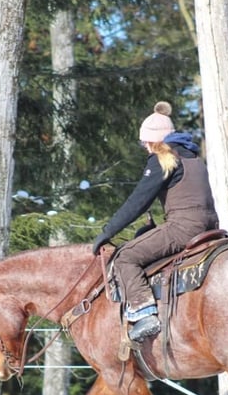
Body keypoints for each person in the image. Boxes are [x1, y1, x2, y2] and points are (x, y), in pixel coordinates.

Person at [92, 101, 219, 342]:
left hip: (184, 228)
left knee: (125, 257)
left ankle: (144, 313)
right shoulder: (193, 157)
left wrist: (107, 232)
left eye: (144, 143)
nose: (145, 148)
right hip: (211, 226)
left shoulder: (163, 158)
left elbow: (138, 201)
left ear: (152, 141)